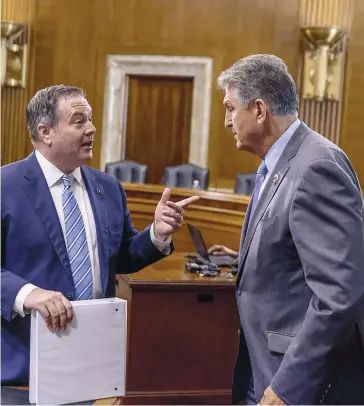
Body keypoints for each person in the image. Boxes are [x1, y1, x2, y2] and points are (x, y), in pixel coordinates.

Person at [1, 85, 199, 388]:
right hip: (23, 367)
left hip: (93, 361)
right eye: (79, 121)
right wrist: (29, 294)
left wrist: (157, 234)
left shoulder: (108, 187)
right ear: (45, 132)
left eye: (90, 119)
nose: (92, 129)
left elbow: (121, 257)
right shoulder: (6, 186)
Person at [217, 54, 364, 405]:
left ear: (259, 109)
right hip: (267, 368)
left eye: (230, 108)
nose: (226, 122)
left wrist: (290, 386)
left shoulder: (315, 167)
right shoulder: (281, 163)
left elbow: (339, 294)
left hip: (301, 386)